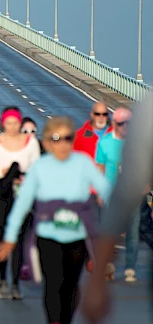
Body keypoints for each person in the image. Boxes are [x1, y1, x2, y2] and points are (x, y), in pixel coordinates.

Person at [0, 116, 111, 324]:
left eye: (68, 138)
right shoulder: (40, 167)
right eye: (57, 138)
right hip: (48, 236)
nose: (63, 144)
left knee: (71, 286)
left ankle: (65, 319)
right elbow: (22, 203)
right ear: (48, 141)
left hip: (76, 237)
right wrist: (10, 237)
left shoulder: (82, 163)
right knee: (53, 284)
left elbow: (105, 189)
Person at [83, 93, 153, 323]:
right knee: (131, 229)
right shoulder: (147, 114)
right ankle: (119, 267)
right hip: (116, 194)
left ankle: (129, 266)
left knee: (134, 231)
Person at [0, 107, 40, 300]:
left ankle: (15, 283)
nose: (13, 127)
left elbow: (38, 169)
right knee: (3, 240)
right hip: (1, 196)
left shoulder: (31, 144)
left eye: (16, 123)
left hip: (22, 197)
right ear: (3, 123)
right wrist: (3, 173)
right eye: (9, 123)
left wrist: (25, 177)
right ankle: (2, 279)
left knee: (19, 241)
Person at [95, 107, 138, 282]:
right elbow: (100, 168)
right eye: (121, 124)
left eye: (129, 123)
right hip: (110, 194)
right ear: (114, 124)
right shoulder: (105, 143)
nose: (125, 127)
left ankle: (130, 268)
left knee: (133, 232)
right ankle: (107, 265)